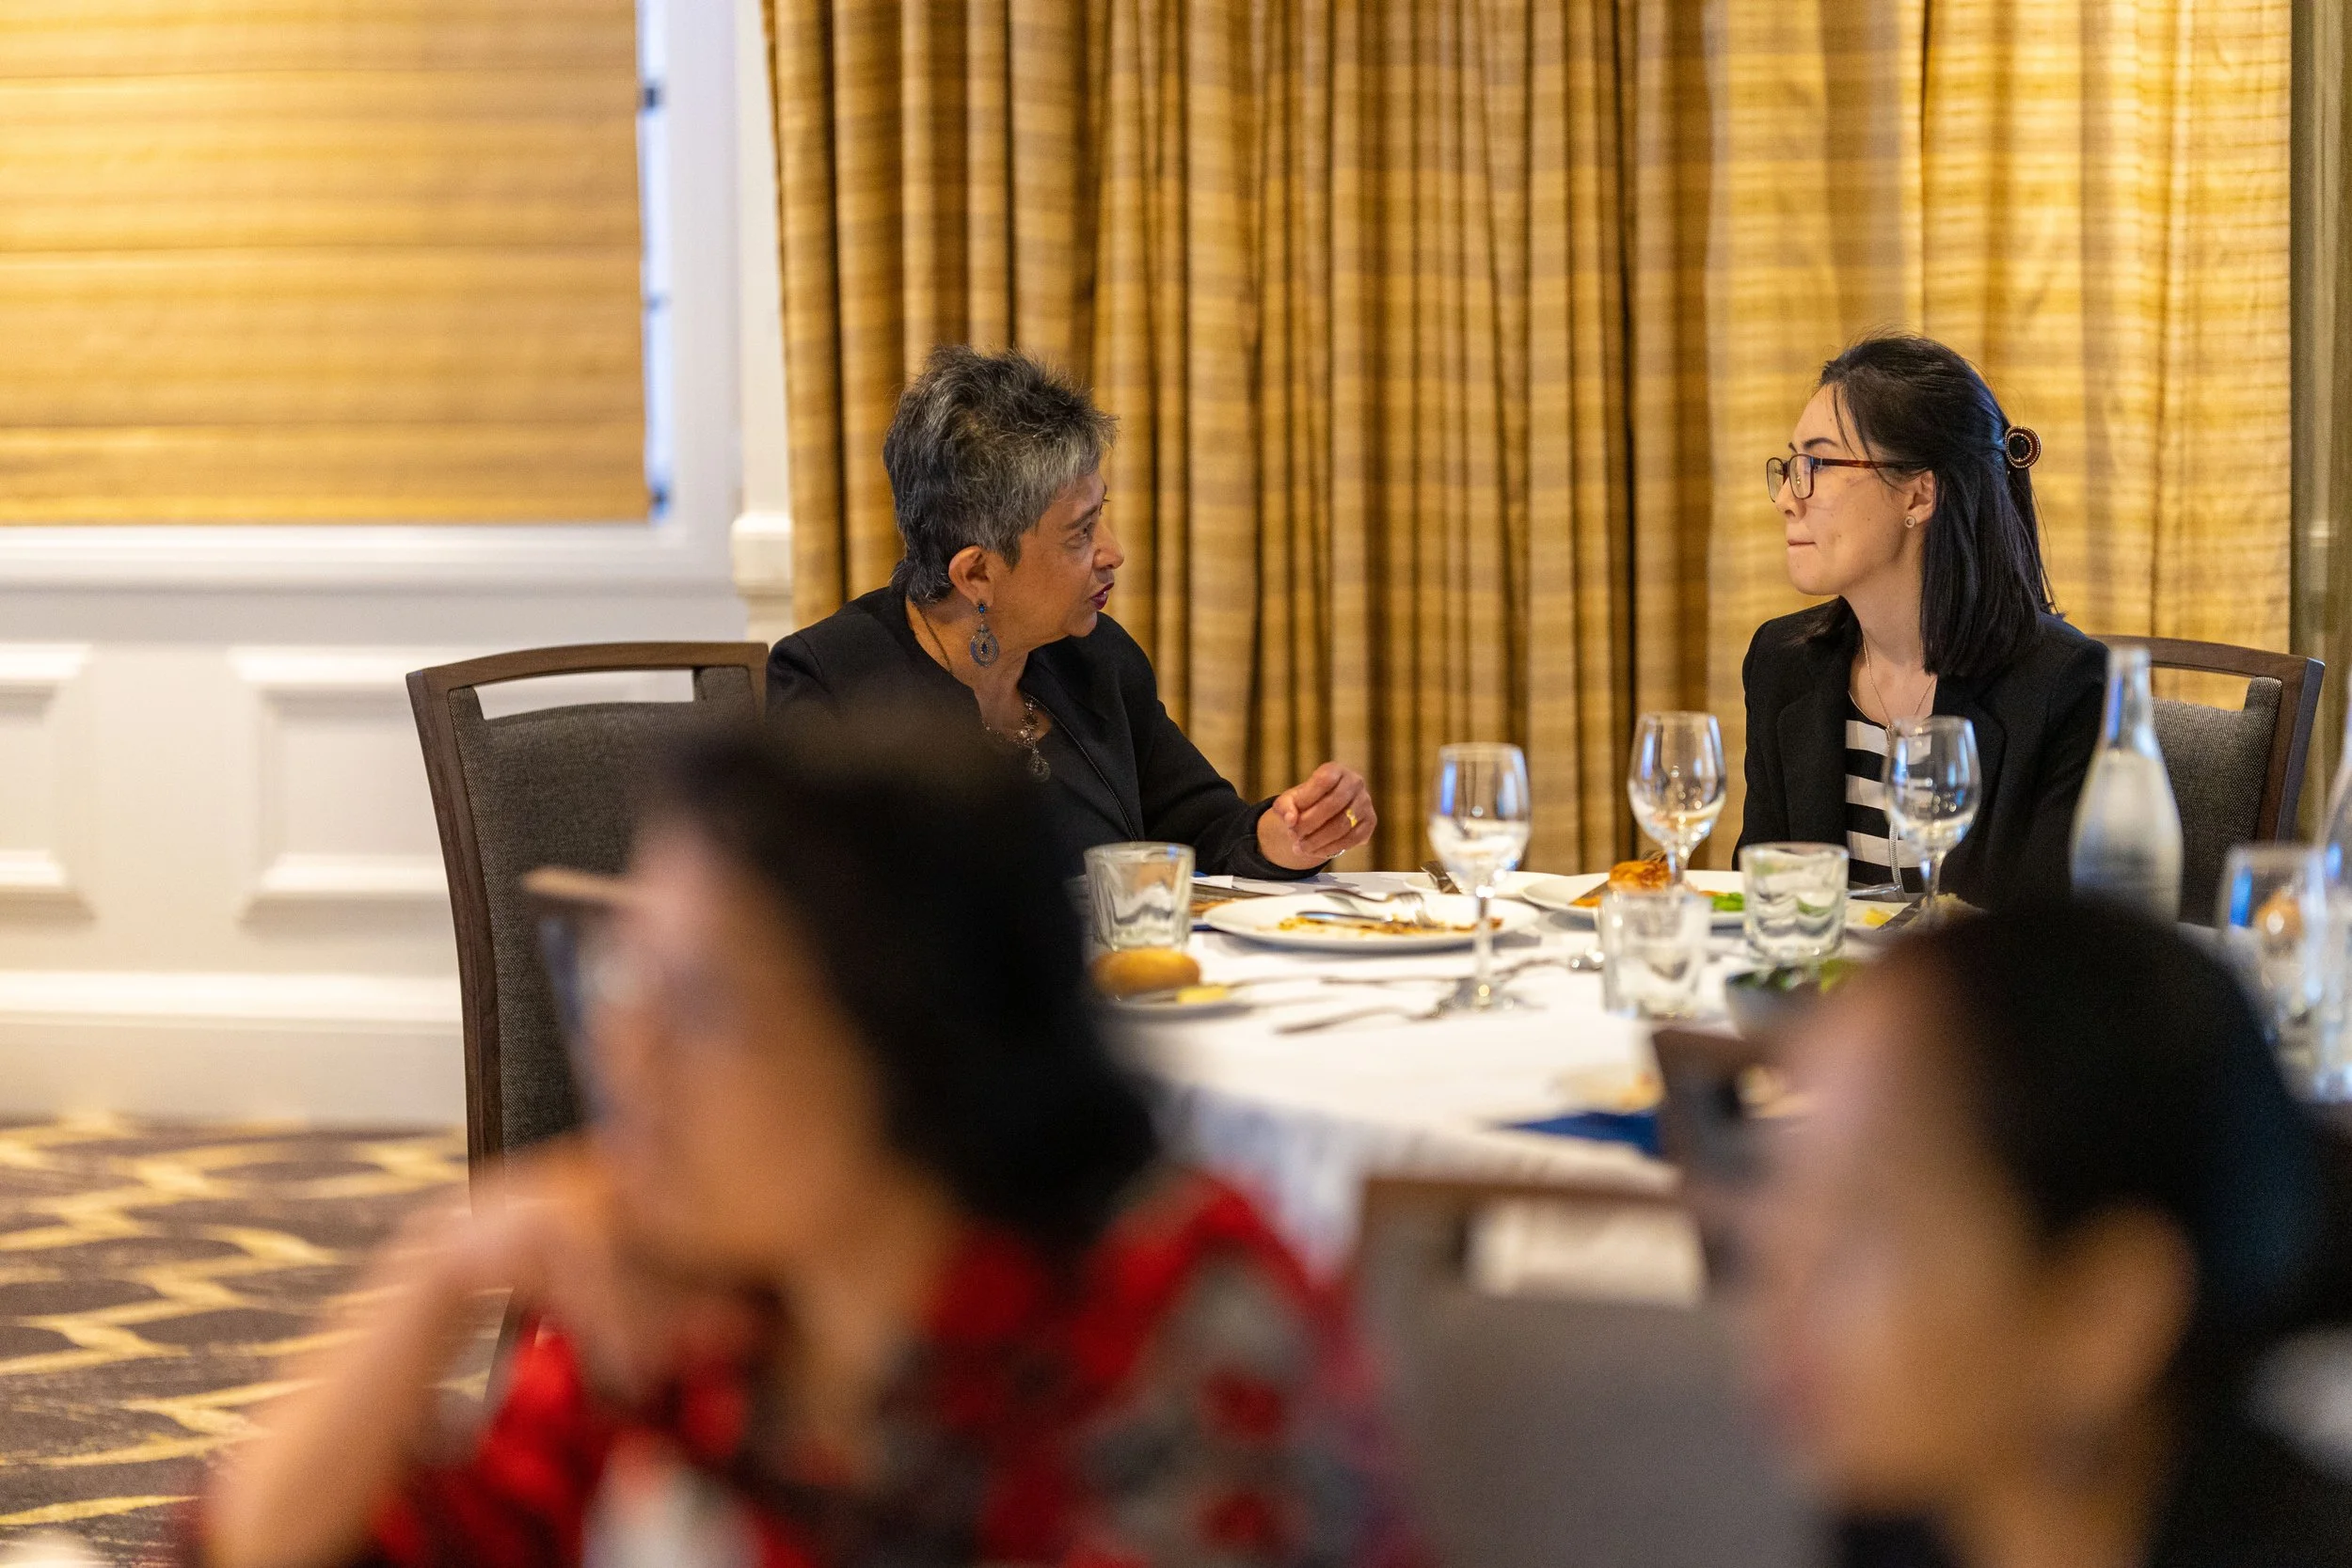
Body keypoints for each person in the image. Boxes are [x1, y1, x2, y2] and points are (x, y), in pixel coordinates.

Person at [196, 716, 1422, 1568]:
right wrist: (446, 1262)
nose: (626, 1055)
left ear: (904, 1044)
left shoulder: (1174, 1327)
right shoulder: (698, 1306)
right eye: (633, 983)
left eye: (704, 1004)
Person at [1745, 900, 2352, 1568]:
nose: (1781, 1265)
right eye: (1792, 1185)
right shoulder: (1905, 1517)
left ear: (2106, 1314)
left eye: (1862, 1217)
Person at [768, 345, 1377, 879]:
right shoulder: (831, 682)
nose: (1114, 552)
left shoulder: (1096, 658)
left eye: (1101, 513)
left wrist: (1281, 836)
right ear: (976, 571)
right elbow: (815, 923)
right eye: (1081, 532)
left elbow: (1203, 830)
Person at [1740, 335, 2104, 907]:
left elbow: (2054, 949)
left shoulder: (2063, 686)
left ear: (1918, 495)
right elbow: (1764, 905)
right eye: (1789, 466)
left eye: (1817, 464)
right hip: (1820, 996)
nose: (1788, 495)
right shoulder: (1782, 661)